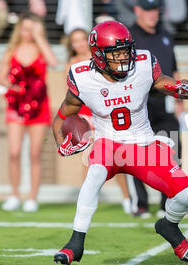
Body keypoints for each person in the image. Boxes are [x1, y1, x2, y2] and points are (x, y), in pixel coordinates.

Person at [52, 20, 188, 265]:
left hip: (143, 144)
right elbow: (62, 115)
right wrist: (60, 142)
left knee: (185, 193)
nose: (123, 59)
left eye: (125, 51)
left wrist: (177, 87)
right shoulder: (82, 77)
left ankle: (169, 226)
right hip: (109, 144)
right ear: (98, 55)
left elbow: (160, 80)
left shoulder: (141, 63)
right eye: (115, 54)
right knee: (94, 174)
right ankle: (75, 242)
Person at [129, 0, 186, 218]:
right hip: (139, 102)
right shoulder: (128, 38)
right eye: (147, 9)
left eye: (155, 10)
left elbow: (174, 71)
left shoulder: (166, 36)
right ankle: (141, 203)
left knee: (171, 149)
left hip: (165, 101)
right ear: (137, 11)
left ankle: (167, 203)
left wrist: (179, 102)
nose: (152, 14)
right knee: (136, 152)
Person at [65, 28, 132, 214]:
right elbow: (73, 97)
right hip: (85, 116)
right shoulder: (72, 65)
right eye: (74, 41)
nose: (79, 44)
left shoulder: (101, 60)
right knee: (89, 161)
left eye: (81, 40)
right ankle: (86, 203)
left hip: (104, 113)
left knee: (116, 157)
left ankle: (128, 199)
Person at [0, 12, 58, 212]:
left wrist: (40, 37)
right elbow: (1, 77)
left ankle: (32, 197)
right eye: (24, 29)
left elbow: (53, 61)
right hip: (16, 107)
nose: (27, 33)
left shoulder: (41, 49)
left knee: (34, 153)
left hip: (39, 108)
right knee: (14, 152)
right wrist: (15, 88)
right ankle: (14, 195)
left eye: (31, 29)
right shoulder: (12, 49)